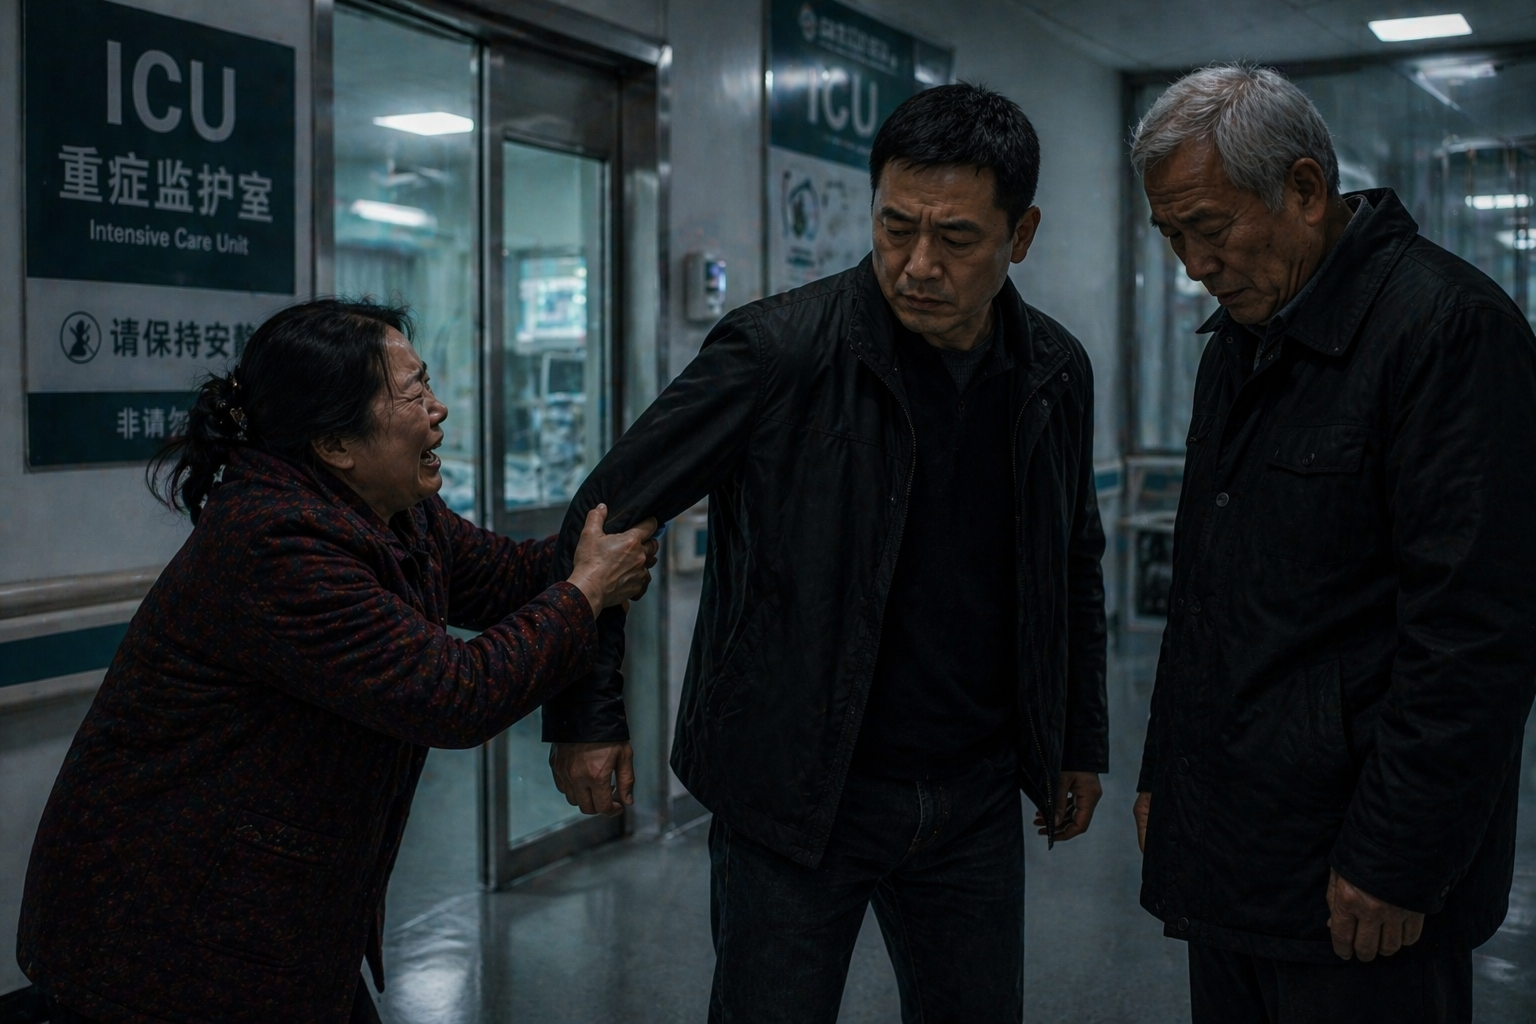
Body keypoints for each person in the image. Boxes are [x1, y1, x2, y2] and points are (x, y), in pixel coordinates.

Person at [542, 83, 1108, 1022]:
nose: (917, 264)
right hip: (794, 794)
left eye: (955, 238)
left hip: (971, 797)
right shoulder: (778, 351)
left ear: (1022, 234)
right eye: (895, 226)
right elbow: (606, 513)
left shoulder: (1053, 369)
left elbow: (1073, 559)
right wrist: (586, 714)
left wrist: (1075, 740)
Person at [16, 300, 658, 1023]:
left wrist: (603, 542)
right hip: (162, 935)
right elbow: (454, 694)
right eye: (413, 394)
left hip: (267, 924)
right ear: (334, 444)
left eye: (427, 382)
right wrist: (586, 590)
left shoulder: (398, 513)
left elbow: (512, 577)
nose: (438, 408)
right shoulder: (275, 544)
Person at [1129, 65, 1536, 1023]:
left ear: (1306, 190)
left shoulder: (1449, 331)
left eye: (1209, 227)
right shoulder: (1241, 341)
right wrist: (1166, 776)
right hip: (1232, 853)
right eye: (1172, 235)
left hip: (1362, 884)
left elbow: (1476, 636)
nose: (1193, 263)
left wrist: (1398, 857)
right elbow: (1206, 595)